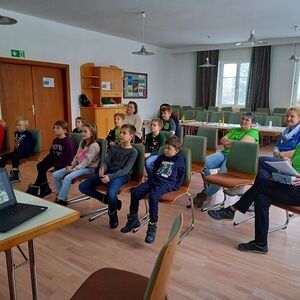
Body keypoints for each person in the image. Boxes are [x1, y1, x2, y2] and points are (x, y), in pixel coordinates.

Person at [207, 143, 300, 254]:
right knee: (261, 196)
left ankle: (232, 210)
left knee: (261, 186)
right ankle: (260, 244)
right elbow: (295, 162)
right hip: (291, 182)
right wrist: (288, 161)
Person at [121, 136, 185, 244]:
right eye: (165, 148)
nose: (165, 150)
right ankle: (133, 220)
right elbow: (155, 169)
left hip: (166, 184)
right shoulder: (160, 158)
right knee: (135, 192)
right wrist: (151, 179)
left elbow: (182, 174)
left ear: (176, 150)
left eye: (169, 148)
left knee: (153, 196)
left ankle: (152, 227)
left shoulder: (179, 160)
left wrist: (176, 186)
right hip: (154, 180)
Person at [193, 112, 259, 207]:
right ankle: (209, 188)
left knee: (221, 175)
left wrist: (230, 142)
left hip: (236, 157)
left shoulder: (253, 132)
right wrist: (235, 143)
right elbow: (222, 140)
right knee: (203, 163)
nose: (243, 121)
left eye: (247, 120)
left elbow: (241, 145)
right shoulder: (235, 129)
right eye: (242, 119)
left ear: (252, 123)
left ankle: (205, 194)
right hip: (224, 154)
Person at [79, 124, 138, 228]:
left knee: (111, 192)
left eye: (124, 133)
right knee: (83, 187)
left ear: (131, 136)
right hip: (107, 173)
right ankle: (107, 200)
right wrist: (102, 169)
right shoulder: (114, 147)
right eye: (120, 132)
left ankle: (112, 214)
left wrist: (110, 177)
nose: (121, 134)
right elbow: (105, 162)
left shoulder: (133, 152)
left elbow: (125, 170)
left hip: (121, 176)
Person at [53, 122, 100, 205]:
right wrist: (72, 165)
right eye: (82, 131)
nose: (82, 133)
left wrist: (74, 169)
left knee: (68, 177)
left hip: (89, 169)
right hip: (78, 166)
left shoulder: (94, 146)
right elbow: (77, 156)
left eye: (85, 131)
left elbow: (86, 162)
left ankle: (61, 199)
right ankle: (61, 196)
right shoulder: (83, 142)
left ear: (92, 133)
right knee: (55, 175)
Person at [26, 120, 76, 198]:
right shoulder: (55, 140)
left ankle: (39, 187)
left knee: (42, 168)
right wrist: (44, 160)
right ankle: (44, 187)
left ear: (65, 130)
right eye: (54, 128)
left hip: (64, 162)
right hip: (55, 159)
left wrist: (55, 166)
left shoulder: (68, 142)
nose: (54, 129)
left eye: (58, 128)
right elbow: (51, 154)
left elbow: (68, 158)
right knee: (40, 165)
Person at [255, 107, 300, 181]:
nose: (288, 118)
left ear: (299, 118)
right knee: (263, 172)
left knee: (260, 160)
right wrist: (276, 152)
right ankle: (265, 190)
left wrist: (281, 155)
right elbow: (277, 146)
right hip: (280, 159)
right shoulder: (286, 130)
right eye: (287, 116)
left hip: (291, 162)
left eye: (292, 116)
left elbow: (297, 151)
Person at [0, 116, 35, 182]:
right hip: (17, 151)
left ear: (25, 126)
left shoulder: (28, 134)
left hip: (25, 152)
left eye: (19, 125)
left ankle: (15, 175)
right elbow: (16, 144)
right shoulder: (16, 133)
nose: (17, 127)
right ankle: (1, 172)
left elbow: (33, 143)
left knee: (14, 157)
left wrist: (32, 152)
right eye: (16, 125)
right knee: (3, 156)